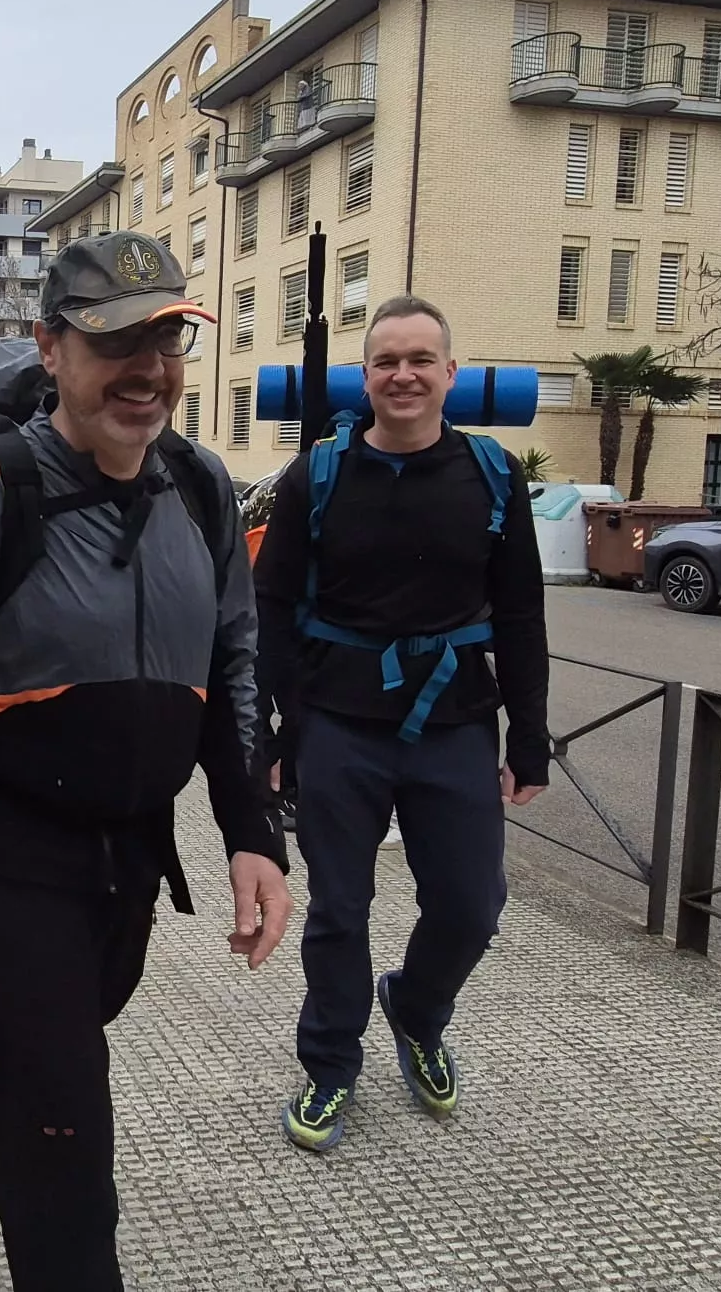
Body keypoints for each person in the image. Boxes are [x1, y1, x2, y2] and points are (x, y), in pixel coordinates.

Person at [0, 232, 291, 1289]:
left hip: (125, 847)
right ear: (50, 349)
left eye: (166, 337)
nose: (148, 368)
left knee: (54, 1034)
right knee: (62, 1112)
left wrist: (251, 834)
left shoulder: (201, 489)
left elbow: (233, 658)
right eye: (115, 340)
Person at [255, 296, 548, 1153]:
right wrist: (268, 736)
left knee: (470, 905)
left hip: (454, 720)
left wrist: (529, 736)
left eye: (421, 359)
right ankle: (330, 1066)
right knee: (338, 909)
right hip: (338, 721)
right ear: (366, 376)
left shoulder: (492, 475)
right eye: (386, 360)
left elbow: (522, 612)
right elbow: (272, 608)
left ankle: (416, 1010)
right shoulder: (320, 474)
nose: (403, 374)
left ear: (450, 374)